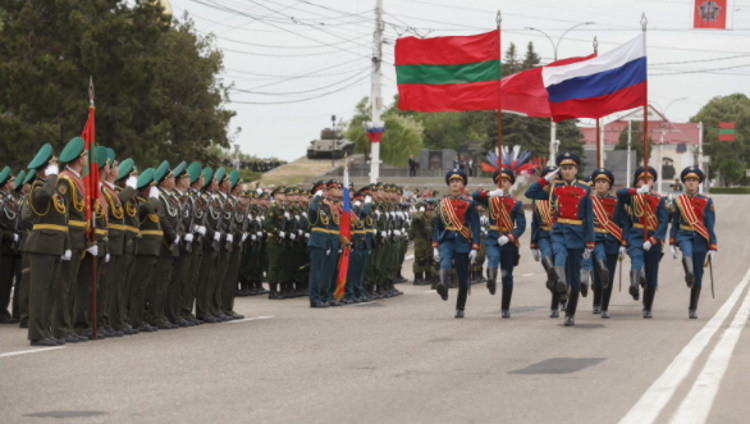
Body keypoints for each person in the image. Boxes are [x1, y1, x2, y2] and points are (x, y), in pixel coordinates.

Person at [525, 152, 594, 326]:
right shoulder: (554, 187)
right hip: (559, 231)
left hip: (577, 233)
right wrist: (546, 179)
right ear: (560, 171)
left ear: (576, 170)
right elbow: (530, 193)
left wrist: (590, 243)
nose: (567, 171)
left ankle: (570, 313)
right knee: (559, 253)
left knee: (575, 279)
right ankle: (561, 281)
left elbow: (588, 217)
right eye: (564, 168)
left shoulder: (585, 188)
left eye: (570, 168)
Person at [25, 144, 70, 346]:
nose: (56, 168)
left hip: (55, 244)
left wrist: (66, 244)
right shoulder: (37, 187)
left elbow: (63, 219)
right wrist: (52, 177)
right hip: (42, 244)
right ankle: (36, 334)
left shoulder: (55, 189)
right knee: (40, 291)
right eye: (53, 165)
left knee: (51, 291)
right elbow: (43, 197)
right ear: (45, 168)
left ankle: (45, 330)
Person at [616, 166, 669, 318]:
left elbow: (663, 223)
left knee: (651, 274)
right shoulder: (632, 197)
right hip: (636, 235)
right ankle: (634, 285)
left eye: (649, 179)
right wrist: (637, 191)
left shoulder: (660, 200)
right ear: (637, 182)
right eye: (641, 180)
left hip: (652, 238)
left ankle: (647, 306)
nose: (645, 182)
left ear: (653, 182)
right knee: (636, 259)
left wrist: (653, 240)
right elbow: (619, 194)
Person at [472, 168, 526, 318]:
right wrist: (491, 193)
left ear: (511, 183)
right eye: (499, 181)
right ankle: (491, 278)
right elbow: (475, 195)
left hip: (508, 241)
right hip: (493, 238)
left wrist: (510, 237)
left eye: (506, 181)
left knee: (507, 276)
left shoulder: (517, 203)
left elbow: (521, 226)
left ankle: (505, 307)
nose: (502, 184)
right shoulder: (491, 198)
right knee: (493, 258)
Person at [669, 166, 717, 319]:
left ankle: (693, 308)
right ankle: (688, 273)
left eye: (694, 180)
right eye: (688, 180)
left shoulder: (706, 201)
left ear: (699, 183)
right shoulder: (678, 201)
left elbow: (710, 224)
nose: (691, 183)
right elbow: (675, 224)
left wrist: (712, 245)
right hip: (684, 235)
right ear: (684, 182)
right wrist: (671, 242)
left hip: (701, 238)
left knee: (698, 275)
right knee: (686, 253)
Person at [432, 169, 480, 318]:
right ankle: (443, 285)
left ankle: (460, 307)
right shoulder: (442, 203)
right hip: (446, 239)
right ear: (449, 184)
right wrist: (435, 246)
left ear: (462, 184)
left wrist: (475, 247)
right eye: (452, 181)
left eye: (458, 181)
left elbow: (476, 226)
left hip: (462, 240)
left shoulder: (470, 203)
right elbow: (437, 226)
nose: (454, 184)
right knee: (444, 262)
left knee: (462, 276)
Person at [588, 168, 625, 319]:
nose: (600, 184)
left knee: (608, 276)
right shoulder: (589, 201)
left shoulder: (616, 202)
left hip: (612, 240)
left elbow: (624, 222)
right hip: (595, 240)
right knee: (597, 276)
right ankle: (596, 302)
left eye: (603, 182)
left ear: (609, 185)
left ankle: (604, 307)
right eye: (598, 182)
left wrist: (624, 243)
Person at [529, 166, 563, 317]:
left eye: (555, 178)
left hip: (561, 235)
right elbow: (534, 222)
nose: (551, 182)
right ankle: (551, 272)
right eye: (549, 179)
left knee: (562, 271)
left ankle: (560, 299)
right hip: (544, 234)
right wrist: (532, 244)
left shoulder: (563, 195)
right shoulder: (538, 198)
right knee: (548, 259)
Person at [0, 167, 20, 324]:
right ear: (6, 184)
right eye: (11, 180)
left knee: (7, 281)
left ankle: (4, 310)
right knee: (2, 280)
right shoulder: (1, 200)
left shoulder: (10, 199)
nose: (14, 182)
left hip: (11, 247)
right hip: (3, 247)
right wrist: (10, 235)